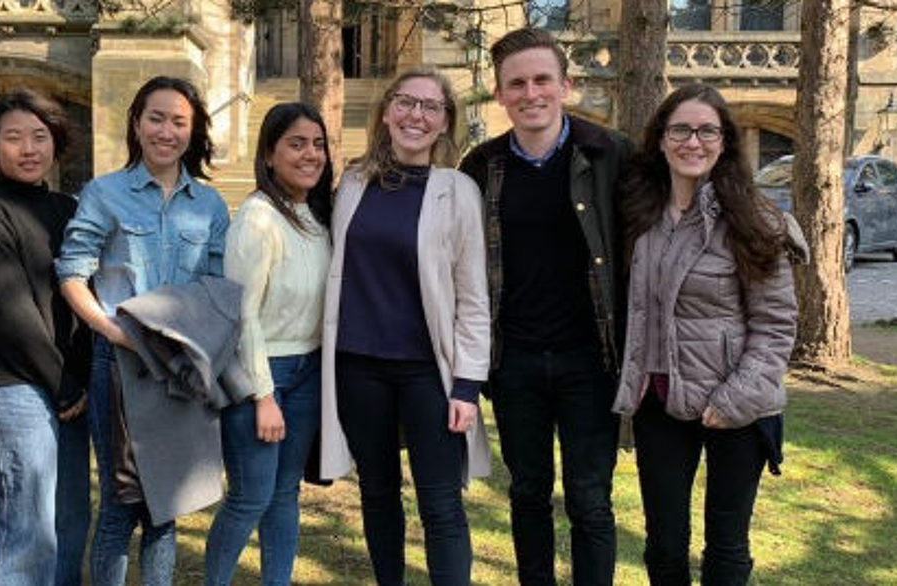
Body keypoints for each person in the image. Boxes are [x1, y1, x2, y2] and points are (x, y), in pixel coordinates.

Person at [458, 27, 631, 586]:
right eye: (516, 84)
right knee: (528, 492)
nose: (530, 93)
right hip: (516, 363)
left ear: (566, 84)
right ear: (500, 93)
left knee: (590, 499)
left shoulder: (610, 153)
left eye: (541, 80)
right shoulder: (480, 167)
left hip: (590, 360)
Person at [612, 84, 802, 586]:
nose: (692, 142)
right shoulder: (639, 216)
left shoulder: (755, 220)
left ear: (724, 142)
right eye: (680, 130)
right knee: (664, 544)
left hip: (736, 406)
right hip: (660, 398)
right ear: (660, 139)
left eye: (706, 131)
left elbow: (776, 323)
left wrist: (737, 397)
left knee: (726, 543)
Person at [318, 68, 491, 586]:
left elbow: (473, 295)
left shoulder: (457, 190)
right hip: (357, 366)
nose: (416, 115)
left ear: (444, 123)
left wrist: (467, 384)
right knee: (377, 494)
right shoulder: (352, 182)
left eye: (430, 107)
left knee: (440, 504)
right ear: (387, 110)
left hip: (426, 372)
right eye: (406, 103)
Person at [54, 75, 229, 586]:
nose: (166, 131)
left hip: (179, 367)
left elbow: (216, 287)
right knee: (120, 503)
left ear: (192, 132)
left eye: (179, 121)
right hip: (121, 364)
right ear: (136, 123)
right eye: (156, 118)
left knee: (165, 505)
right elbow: (71, 272)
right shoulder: (105, 193)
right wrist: (110, 332)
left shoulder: (210, 206)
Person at [0, 88, 92, 586]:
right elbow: (6, 308)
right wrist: (63, 383)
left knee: (69, 519)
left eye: (39, 137)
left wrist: (79, 378)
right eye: (13, 138)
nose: (28, 148)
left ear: (56, 144)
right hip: (19, 387)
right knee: (24, 527)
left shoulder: (69, 208)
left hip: (72, 390)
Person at [202, 103, 333, 586]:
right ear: (269, 154)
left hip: (309, 371)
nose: (310, 154)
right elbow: (243, 314)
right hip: (264, 374)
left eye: (317, 144)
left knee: (284, 494)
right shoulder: (256, 219)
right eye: (296, 144)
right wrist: (263, 396)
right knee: (249, 498)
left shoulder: (318, 215)